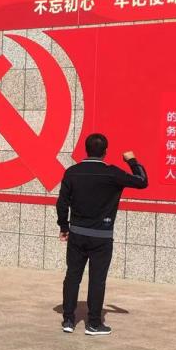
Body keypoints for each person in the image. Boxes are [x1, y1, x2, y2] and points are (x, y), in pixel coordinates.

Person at [56, 133, 148, 336]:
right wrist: (132, 160)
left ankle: (68, 320)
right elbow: (142, 181)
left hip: (77, 234)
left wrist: (64, 227)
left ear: (86, 150)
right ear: (105, 152)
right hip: (101, 236)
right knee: (97, 280)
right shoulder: (112, 173)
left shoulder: (72, 172)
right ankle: (94, 324)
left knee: (72, 276)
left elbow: (62, 203)